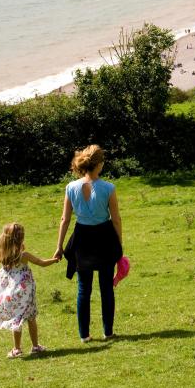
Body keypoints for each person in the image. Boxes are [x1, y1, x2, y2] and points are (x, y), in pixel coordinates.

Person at [55, 145, 123, 343]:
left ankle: (84, 335)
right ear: (99, 164)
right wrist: (119, 244)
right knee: (106, 288)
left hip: (82, 238)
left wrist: (59, 246)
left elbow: (64, 219)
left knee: (83, 288)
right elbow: (116, 219)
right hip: (104, 237)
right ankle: (108, 332)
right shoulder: (108, 188)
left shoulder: (71, 187)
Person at [0, 222, 59, 358]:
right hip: (25, 292)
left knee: (17, 319)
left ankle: (17, 348)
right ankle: (35, 346)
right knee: (31, 318)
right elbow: (41, 263)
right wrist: (55, 260)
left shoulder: (3, 255)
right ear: (20, 238)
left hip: (12, 293)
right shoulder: (23, 255)